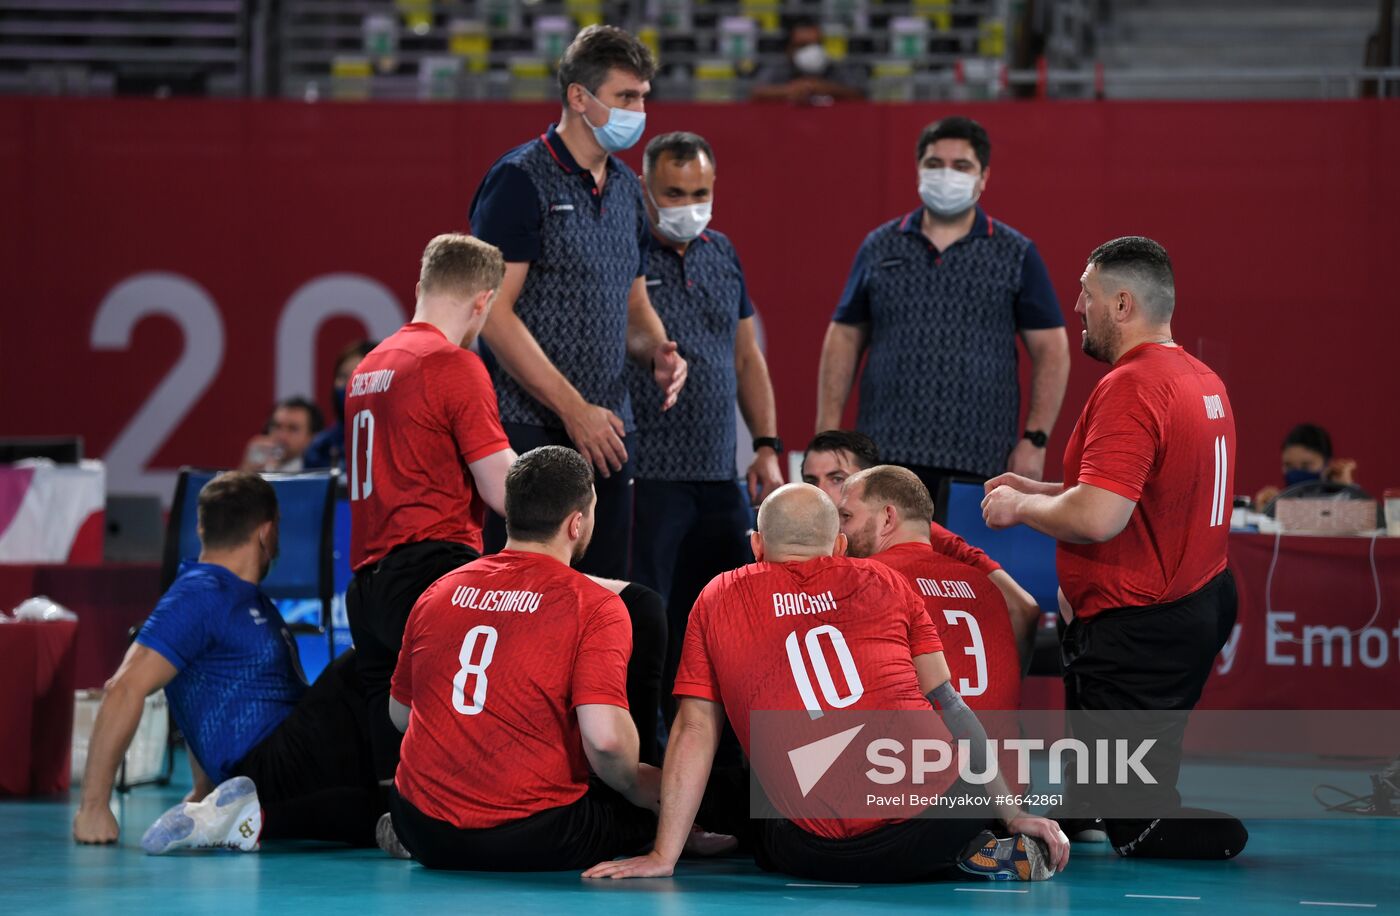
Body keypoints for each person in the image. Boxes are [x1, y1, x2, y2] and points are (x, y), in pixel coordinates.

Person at [584, 484, 1069, 884]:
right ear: (839, 546)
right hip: (939, 823)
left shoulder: (718, 595)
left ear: (756, 546)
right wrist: (1011, 813)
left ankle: (699, 834)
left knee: (745, 796)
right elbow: (951, 705)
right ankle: (970, 846)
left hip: (814, 854)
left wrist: (663, 857)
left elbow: (694, 731)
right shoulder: (885, 580)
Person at [981, 236, 1249, 860]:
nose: (1077, 305)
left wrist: (1021, 508)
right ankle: (1094, 803)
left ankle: (1219, 836)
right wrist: (1043, 487)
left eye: (1087, 294)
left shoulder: (1133, 387)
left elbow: (1100, 516)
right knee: (1092, 799)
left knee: (1139, 827)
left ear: (1122, 303)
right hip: (1183, 601)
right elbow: (1133, 493)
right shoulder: (1197, 378)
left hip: (1143, 624)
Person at [469, 24, 688, 579]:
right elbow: (492, 312)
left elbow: (634, 305)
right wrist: (572, 410)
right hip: (526, 429)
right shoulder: (520, 178)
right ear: (578, 97)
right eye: (626, 97)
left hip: (609, 431)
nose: (639, 110)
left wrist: (657, 349)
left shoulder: (623, 187)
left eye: (643, 97)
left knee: (605, 594)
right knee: (523, 593)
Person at [73, 471, 380, 853]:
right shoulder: (201, 593)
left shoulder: (242, 597)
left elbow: (203, 687)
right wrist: (93, 807)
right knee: (365, 660)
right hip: (271, 767)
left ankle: (231, 817)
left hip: (286, 776)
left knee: (382, 813)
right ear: (268, 532)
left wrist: (203, 790)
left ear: (201, 527)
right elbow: (123, 687)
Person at [816, 115, 1070, 500]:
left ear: (983, 177)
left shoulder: (1016, 253)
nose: (946, 175)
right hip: (885, 457)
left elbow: (1052, 348)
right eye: (934, 164)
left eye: (961, 166)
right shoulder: (880, 246)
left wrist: (1035, 440)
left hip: (979, 459)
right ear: (918, 170)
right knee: (882, 562)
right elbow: (845, 336)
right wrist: (828, 437)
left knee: (963, 561)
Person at [344, 234, 518, 789]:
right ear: (482, 302)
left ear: (421, 288)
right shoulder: (454, 365)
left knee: (386, 742)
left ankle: (395, 823)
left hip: (367, 582)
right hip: (430, 571)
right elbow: (504, 491)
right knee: (455, 726)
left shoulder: (369, 367)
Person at [628, 130, 784, 721]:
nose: (687, 203)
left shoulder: (722, 251)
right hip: (651, 475)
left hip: (720, 475)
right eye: (673, 191)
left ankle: (729, 768)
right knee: (651, 625)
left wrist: (766, 446)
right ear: (645, 186)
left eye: (699, 191)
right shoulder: (624, 254)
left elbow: (746, 357)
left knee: (736, 622)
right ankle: (648, 756)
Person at [801, 429, 1041, 668]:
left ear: (872, 481)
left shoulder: (923, 532)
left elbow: (1023, 607)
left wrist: (1004, 687)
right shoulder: (793, 535)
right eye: (811, 481)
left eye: (837, 479)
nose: (819, 493)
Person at [839, 465, 1022, 720]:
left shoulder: (866, 579)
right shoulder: (986, 586)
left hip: (920, 754)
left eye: (846, 516)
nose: (840, 530)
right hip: (1003, 754)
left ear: (888, 518)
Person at [750, 16, 865, 104]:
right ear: (789, 49)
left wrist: (827, 88)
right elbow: (756, 93)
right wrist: (788, 91)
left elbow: (859, 95)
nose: (811, 50)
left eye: (816, 44)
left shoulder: (834, 67)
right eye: (803, 45)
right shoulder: (779, 68)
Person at [303, 339, 376, 471]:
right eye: (342, 376)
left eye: (356, 376)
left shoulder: (396, 441)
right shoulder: (321, 447)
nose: (347, 384)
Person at [1253, 422, 1358, 508]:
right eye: (1289, 466)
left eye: (1306, 466)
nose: (1297, 472)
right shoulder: (1279, 504)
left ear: (1327, 464)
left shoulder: (1346, 498)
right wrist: (1265, 512)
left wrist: (1346, 488)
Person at [241, 396, 323, 472]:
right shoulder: (258, 460)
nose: (282, 436)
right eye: (277, 426)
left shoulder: (321, 471)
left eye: (293, 428)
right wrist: (246, 472)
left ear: (312, 437)